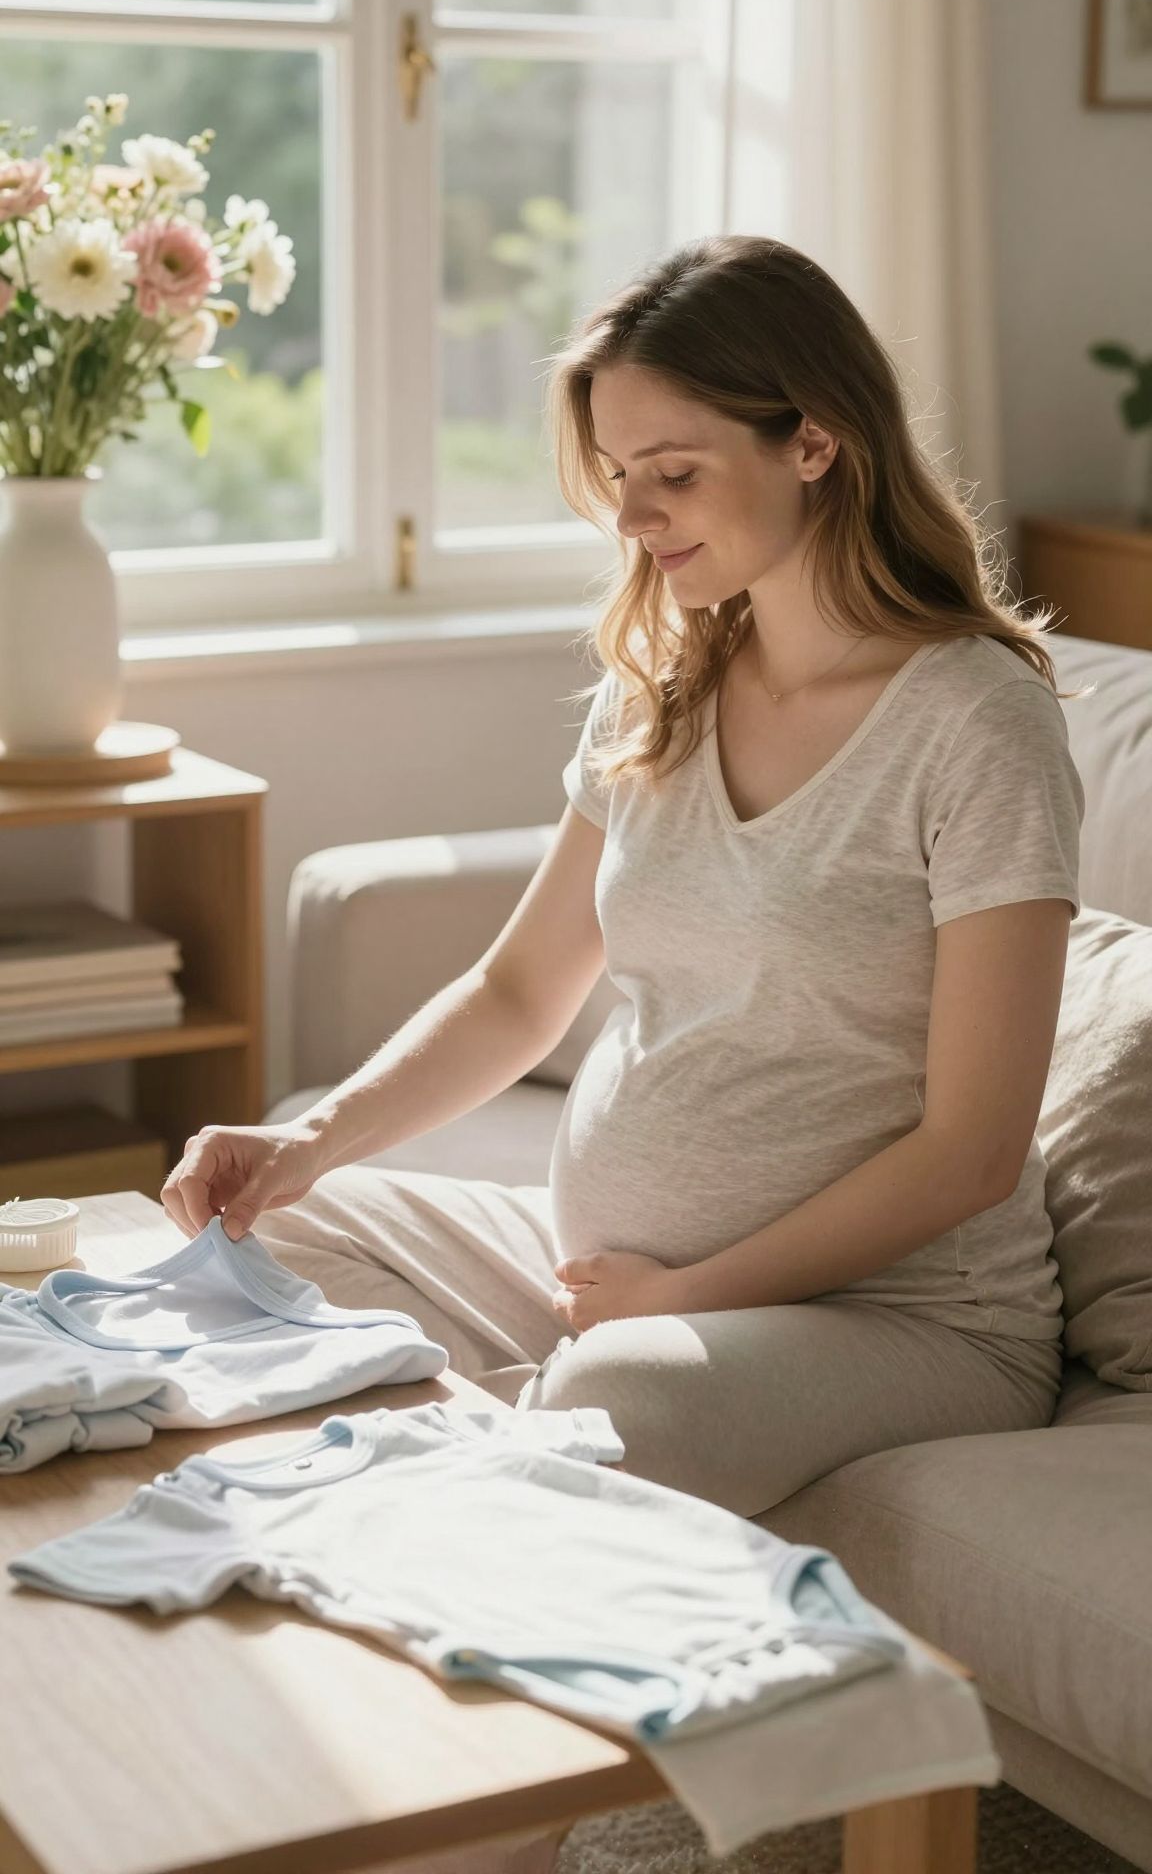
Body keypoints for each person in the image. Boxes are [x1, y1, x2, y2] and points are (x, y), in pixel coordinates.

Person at [160, 233, 1091, 1523]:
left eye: (675, 473)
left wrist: (679, 1301)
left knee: (617, 1398)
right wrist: (304, 1144)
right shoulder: (663, 689)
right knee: (265, 1235)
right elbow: (517, 994)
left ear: (814, 442)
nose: (632, 518)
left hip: (904, 1316)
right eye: (616, 476)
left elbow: (972, 1153)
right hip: (612, 1285)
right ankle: (488, 1460)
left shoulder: (977, 722)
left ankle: (496, 1472)